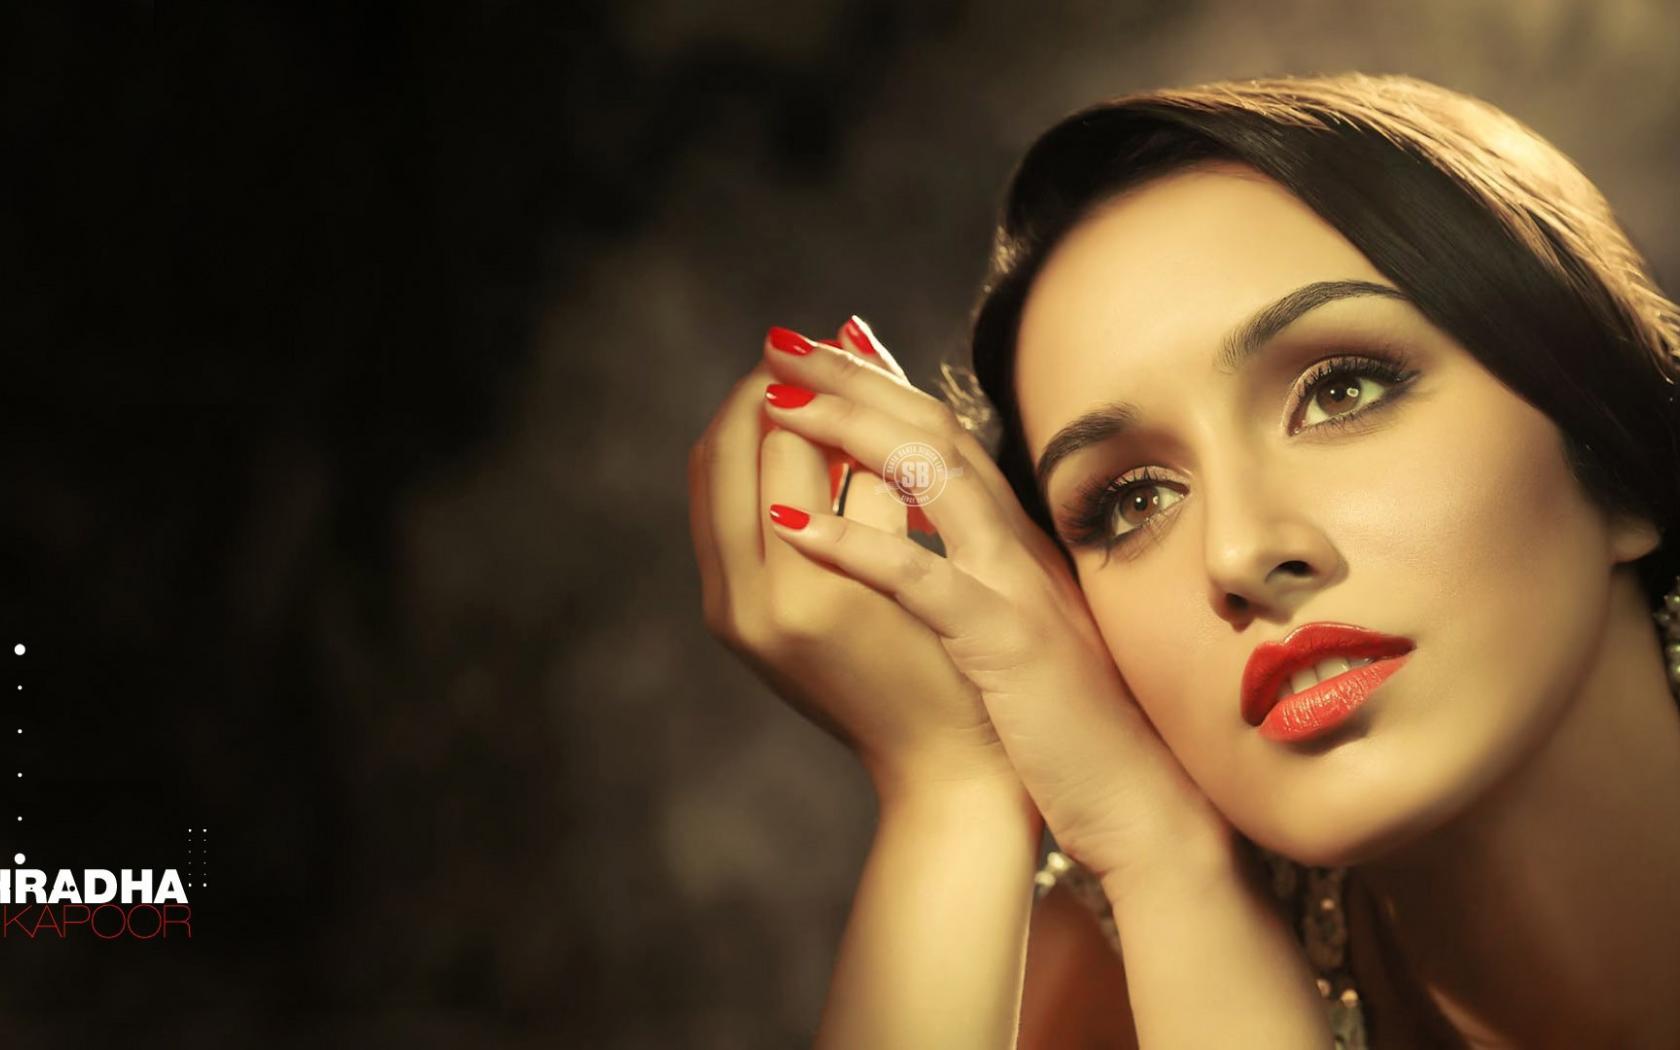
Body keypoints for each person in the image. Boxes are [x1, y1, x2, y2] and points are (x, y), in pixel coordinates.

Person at [686, 72, 1680, 1048]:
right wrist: (961, 786)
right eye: (1135, 501)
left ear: (1609, 446)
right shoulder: (1099, 977)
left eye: (1341, 393)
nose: (1240, 552)